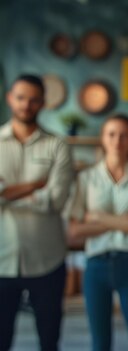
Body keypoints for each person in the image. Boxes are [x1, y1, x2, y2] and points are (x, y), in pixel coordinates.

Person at [0, 74, 74, 351]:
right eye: (21, 97)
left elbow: (56, 200)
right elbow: (45, 194)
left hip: (47, 259)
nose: (26, 105)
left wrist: (7, 194)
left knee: (49, 338)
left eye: (33, 99)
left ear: (43, 103)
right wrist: (34, 186)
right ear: (10, 98)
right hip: (2, 259)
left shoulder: (57, 146)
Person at [68, 113, 128, 351]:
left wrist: (96, 217)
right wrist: (125, 221)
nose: (118, 141)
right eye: (112, 134)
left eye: (124, 135)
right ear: (103, 139)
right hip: (96, 266)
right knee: (100, 342)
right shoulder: (86, 178)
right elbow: (75, 230)